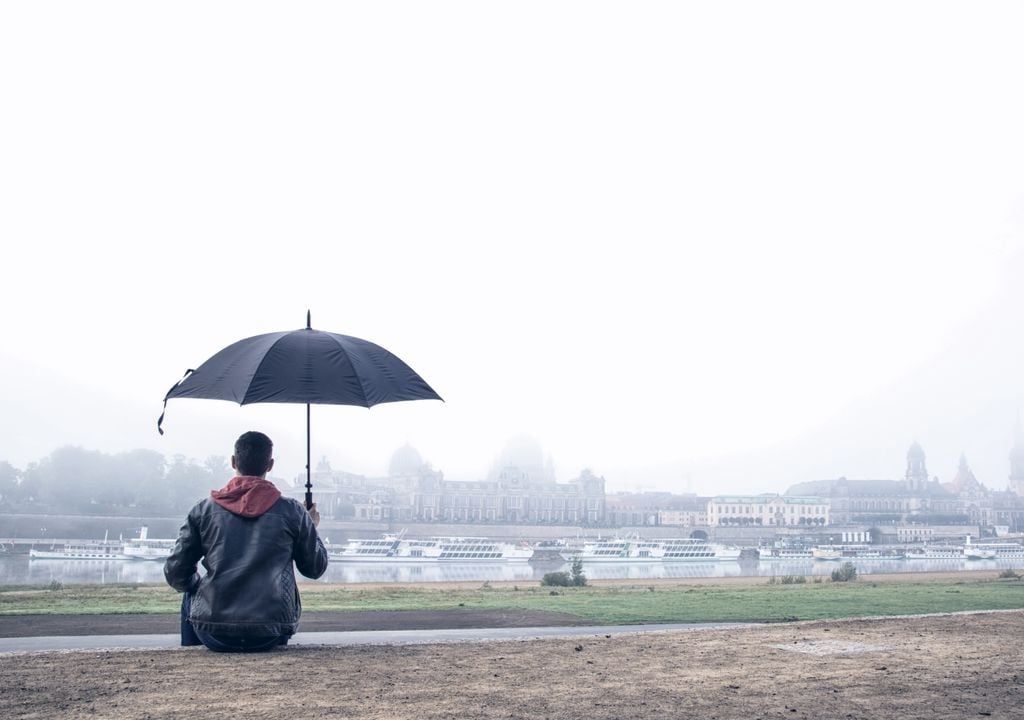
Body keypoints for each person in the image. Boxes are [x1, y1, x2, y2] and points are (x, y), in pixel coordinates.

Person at [164, 430, 328, 652]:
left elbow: (176, 573)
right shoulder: (292, 512)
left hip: (213, 630)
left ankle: (191, 653)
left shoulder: (203, 510)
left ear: (233, 462)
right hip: (270, 630)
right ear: (270, 465)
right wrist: (311, 527)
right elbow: (314, 569)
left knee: (192, 591)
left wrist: (198, 585)